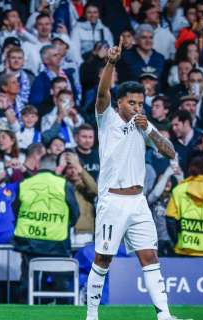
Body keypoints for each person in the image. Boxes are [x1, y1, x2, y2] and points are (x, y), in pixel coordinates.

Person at [86, 38, 176, 320]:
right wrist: (111, 62)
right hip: (112, 200)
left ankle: (163, 315)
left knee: (150, 258)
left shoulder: (142, 126)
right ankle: (91, 315)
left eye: (141, 102)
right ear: (120, 102)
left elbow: (170, 152)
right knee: (103, 259)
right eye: (132, 102)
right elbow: (102, 94)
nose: (137, 106)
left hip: (138, 202)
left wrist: (149, 129)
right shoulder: (108, 119)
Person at [13, 154, 79, 302]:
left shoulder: (25, 183)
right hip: (57, 243)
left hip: (29, 243)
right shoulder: (63, 184)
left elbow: (16, 210)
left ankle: (27, 316)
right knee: (61, 286)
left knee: (29, 285)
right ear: (56, 167)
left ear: (37, 166)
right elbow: (75, 213)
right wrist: (63, 225)